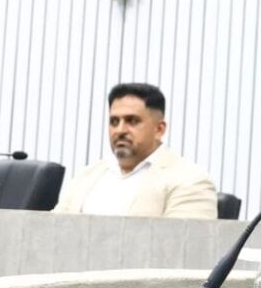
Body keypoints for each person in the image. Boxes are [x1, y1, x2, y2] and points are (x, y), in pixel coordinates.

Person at [54, 83, 217, 219]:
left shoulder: (190, 180)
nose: (120, 130)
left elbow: (184, 249)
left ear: (159, 129)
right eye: (114, 121)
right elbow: (49, 233)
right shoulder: (86, 176)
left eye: (132, 121)